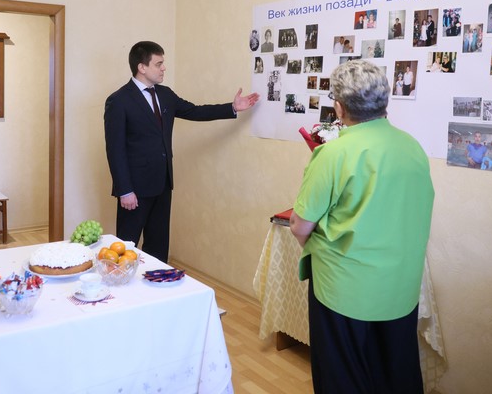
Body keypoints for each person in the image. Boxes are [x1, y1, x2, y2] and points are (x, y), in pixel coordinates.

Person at [288, 60, 434, 394]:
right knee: (395, 372)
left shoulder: (333, 153)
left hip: (344, 290)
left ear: (339, 108)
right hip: (399, 285)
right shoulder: (412, 147)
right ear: (385, 100)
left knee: (343, 377)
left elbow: (299, 224)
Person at [104, 41, 259, 262]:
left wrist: (232, 108)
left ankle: (157, 281)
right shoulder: (119, 100)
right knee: (125, 248)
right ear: (142, 67)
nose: (164, 68)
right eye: (159, 64)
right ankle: (121, 283)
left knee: (158, 246)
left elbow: (195, 111)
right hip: (135, 190)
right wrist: (125, 190)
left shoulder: (165, 94)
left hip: (163, 184)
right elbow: (115, 149)